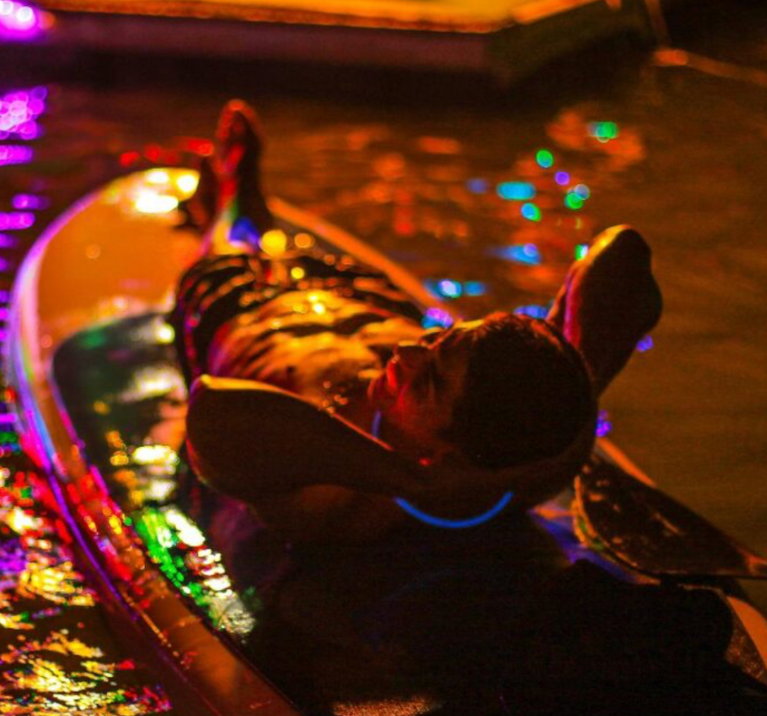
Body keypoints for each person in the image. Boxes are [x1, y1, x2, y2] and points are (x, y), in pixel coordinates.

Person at [172, 101, 662, 541]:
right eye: (441, 339)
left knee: (234, 243)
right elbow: (621, 252)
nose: (405, 354)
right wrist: (580, 384)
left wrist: (413, 481)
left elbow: (211, 412)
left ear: (451, 452)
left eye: (429, 382)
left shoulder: (330, 494)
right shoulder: (549, 455)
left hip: (247, 308)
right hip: (365, 297)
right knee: (299, 261)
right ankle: (241, 199)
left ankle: (234, 193)